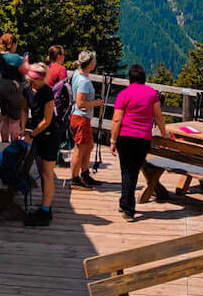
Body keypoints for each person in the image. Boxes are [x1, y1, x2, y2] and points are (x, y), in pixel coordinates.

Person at [109, 64, 169, 221]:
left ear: (130, 78)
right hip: (143, 138)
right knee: (132, 172)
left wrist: (113, 140)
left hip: (125, 137)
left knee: (126, 171)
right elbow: (158, 116)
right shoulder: (151, 94)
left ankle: (128, 209)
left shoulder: (123, 94)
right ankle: (124, 204)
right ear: (144, 78)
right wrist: (164, 134)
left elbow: (117, 119)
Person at [23, 62, 58, 227]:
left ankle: (45, 212)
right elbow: (24, 110)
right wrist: (23, 129)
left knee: (47, 174)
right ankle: (46, 206)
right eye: (30, 80)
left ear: (42, 80)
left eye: (34, 81)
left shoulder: (47, 92)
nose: (32, 84)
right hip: (37, 134)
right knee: (42, 172)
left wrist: (31, 134)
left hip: (49, 136)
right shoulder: (27, 90)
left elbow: (47, 120)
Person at [68, 50, 103, 188]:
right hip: (81, 117)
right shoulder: (84, 81)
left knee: (88, 146)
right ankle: (75, 179)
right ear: (89, 64)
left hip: (81, 117)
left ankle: (85, 174)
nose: (95, 62)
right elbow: (80, 103)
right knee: (80, 148)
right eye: (94, 60)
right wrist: (96, 103)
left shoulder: (77, 74)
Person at [0, 32, 28, 143]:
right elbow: (25, 71)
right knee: (14, 119)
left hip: (0, 85)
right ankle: (14, 144)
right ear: (12, 44)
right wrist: (25, 61)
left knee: (4, 117)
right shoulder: (16, 58)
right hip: (13, 88)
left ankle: (4, 142)